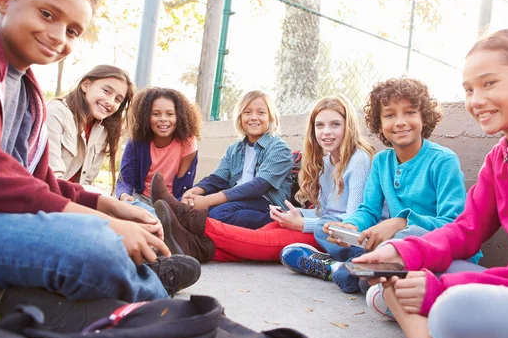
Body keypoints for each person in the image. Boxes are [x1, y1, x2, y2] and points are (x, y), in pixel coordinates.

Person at [0, 0, 199, 304]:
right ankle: (158, 308)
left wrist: (109, 207)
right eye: (47, 14)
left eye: (73, 31)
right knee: (94, 244)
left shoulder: (25, 89)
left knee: (111, 230)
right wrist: (103, 222)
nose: (57, 35)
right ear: (4, 0)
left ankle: (137, 280)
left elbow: (40, 181)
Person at [353, 29, 508, 338]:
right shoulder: (500, 156)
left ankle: (432, 334)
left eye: (489, 84)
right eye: (469, 89)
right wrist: (402, 252)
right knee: (403, 263)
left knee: (452, 308)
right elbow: (465, 229)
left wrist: (442, 288)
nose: (476, 100)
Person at [282, 78, 481, 295]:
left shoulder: (443, 161)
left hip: (431, 245)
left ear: (424, 116)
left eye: (410, 112)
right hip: (390, 245)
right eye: (389, 115)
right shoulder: (381, 161)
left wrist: (400, 222)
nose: (400, 122)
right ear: (379, 122)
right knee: (325, 226)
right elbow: (368, 210)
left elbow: (452, 224)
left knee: (403, 237)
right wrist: (350, 226)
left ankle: (344, 269)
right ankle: (360, 269)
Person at [147, 95, 375, 263]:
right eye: (320, 125)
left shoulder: (358, 160)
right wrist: (296, 216)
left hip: (333, 238)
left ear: (349, 126)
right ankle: (188, 246)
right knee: (259, 236)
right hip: (321, 227)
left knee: (261, 241)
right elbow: (323, 211)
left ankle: (187, 220)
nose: (326, 132)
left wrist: (304, 223)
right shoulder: (327, 161)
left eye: (335, 124)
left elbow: (352, 223)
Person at [180, 90, 292, 229]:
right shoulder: (234, 149)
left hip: (266, 204)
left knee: (218, 214)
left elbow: (258, 187)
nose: (253, 117)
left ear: (270, 117)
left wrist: (208, 200)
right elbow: (217, 179)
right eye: (247, 112)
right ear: (240, 118)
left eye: (261, 112)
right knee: (184, 203)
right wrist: (194, 191)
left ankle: (273, 223)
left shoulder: (279, 148)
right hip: (237, 199)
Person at [46, 64, 134, 193]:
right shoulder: (56, 113)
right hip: (46, 197)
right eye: (106, 91)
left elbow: (86, 181)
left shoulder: (102, 130)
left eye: (117, 99)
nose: (110, 101)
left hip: (72, 198)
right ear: (85, 85)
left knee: (133, 210)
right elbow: (50, 179)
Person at [116, 87, 201, 205]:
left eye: (170, 114)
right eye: (156, 114)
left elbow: (184, 186)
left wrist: (179, 207)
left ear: (179, 116)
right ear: (146, 116)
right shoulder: (136, 140)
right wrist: (125, 197)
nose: (163, 119)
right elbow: (125, 181)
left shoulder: (188, 142)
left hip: (170, 202)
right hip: (139, 198)